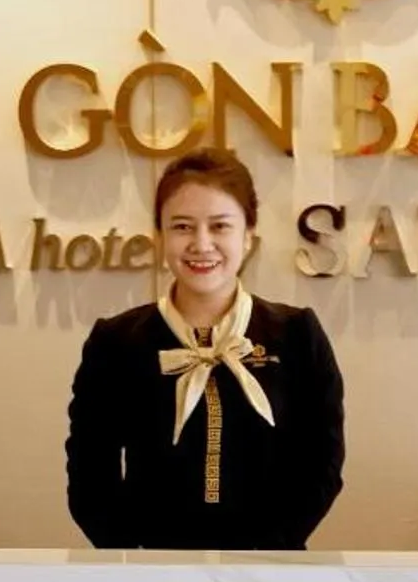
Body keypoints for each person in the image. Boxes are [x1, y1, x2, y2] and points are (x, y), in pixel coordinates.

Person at [65, 147, 345, 550]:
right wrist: (132, 554)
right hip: (149, 574)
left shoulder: (298, 334)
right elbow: (90, 473)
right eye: (182, 227)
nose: (201, 243)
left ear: (248, 236)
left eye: (220, 226)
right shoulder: (116, 342)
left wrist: (269, 550)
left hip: (271, 572)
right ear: (160, 236)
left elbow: (322, 464)